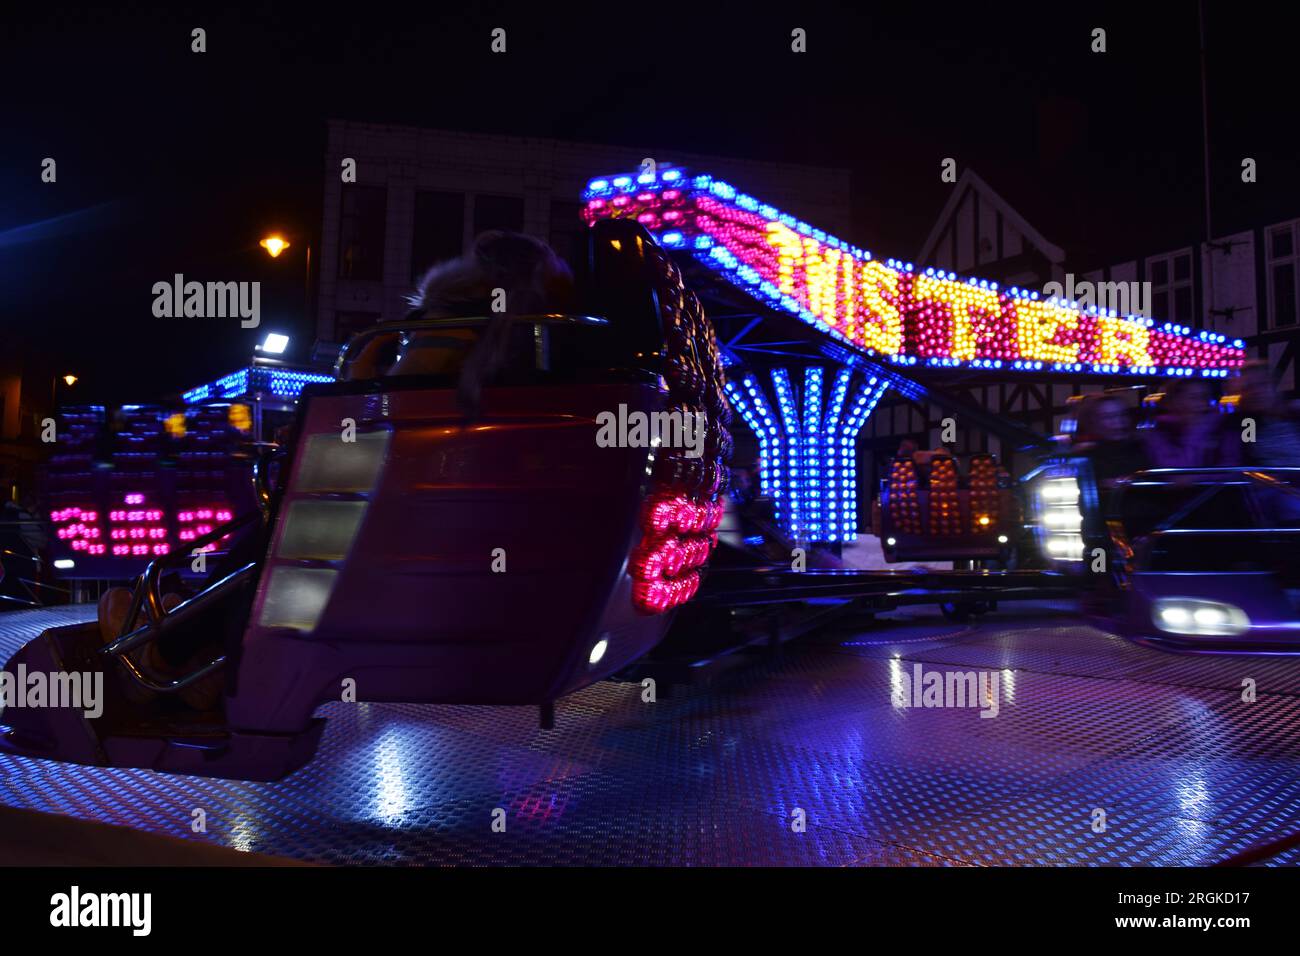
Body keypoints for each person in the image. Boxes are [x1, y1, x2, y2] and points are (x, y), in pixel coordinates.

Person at [1143, 378, 1241, 470]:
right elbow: (1173, 471)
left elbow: (1231, 465)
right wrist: (1196, 431)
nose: (1201, 402)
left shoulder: (1223, 427)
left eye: (1205, 396)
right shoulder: (1162, 431)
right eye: (1193, 397)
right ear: (1176, 402)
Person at [1073, 394, 1149, 492]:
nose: (1118, 421)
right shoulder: (1084, 457)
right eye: (1108, 417)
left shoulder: (1145, 447)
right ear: (1092, 422)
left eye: (1123, 414)